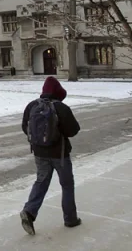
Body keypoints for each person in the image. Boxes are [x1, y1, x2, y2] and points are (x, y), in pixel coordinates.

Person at [19, 76, 81, 235]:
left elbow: (25, 127)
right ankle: (70, 219)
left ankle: (29, 211)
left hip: (39, 153)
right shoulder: (61, 108)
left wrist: (41, 140)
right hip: (60, 154)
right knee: (67, 185)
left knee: (41, 182)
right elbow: (73, 130)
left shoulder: (32, 105)